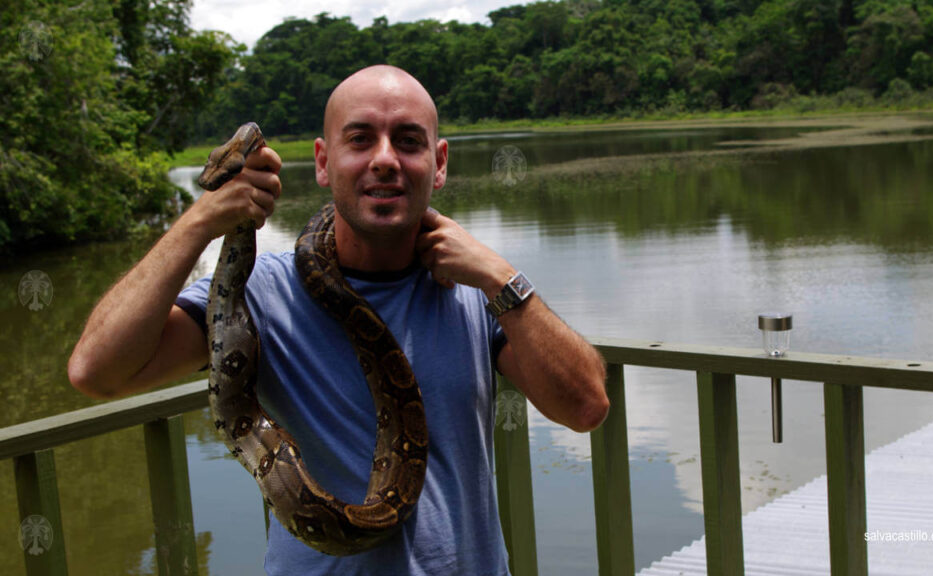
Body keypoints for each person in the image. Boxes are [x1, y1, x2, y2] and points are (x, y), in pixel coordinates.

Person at [68, 64, 608, 575]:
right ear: (323, 162)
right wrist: (200, 220)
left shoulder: (474, 289)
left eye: (408, 140)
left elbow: (585, 406)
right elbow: (98, 371)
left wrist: (500, 276)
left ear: (439, 163)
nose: (385, 159)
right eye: (360, 139)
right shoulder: (261, 292)